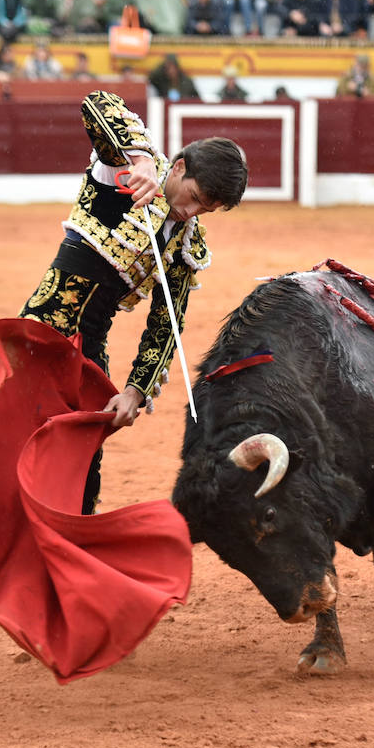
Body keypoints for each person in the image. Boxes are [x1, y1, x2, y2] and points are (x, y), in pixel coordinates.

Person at [18, 90, 248, 513]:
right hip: (36, 335)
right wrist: (139, 158)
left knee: (83, 460)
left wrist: (135, 392)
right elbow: (97, 103)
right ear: (179, 167)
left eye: (206, 209)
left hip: (88, 347)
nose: (191, 211)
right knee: (18, 442)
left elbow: (167, 324)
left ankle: (67, 558)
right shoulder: (122, 170)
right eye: (194, 196)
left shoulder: (184, 242)